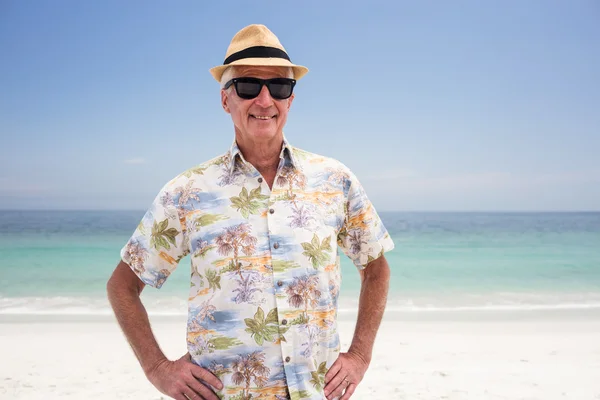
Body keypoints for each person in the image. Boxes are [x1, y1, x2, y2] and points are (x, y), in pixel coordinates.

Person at [107, 24, 394, 400]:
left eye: (278, 87)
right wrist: (157, 368)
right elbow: (123, 287)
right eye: (247, 87)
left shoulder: (334, 179)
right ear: (226, 100)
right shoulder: (186, 191)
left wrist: (359, 356)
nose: (264, 100)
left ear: (290, 100)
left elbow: (375, 267)